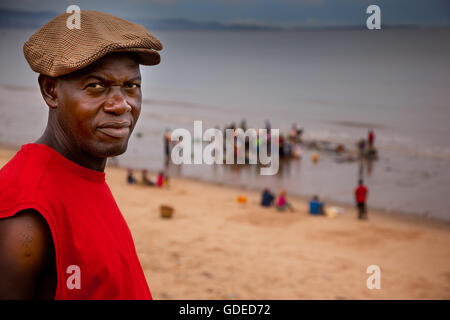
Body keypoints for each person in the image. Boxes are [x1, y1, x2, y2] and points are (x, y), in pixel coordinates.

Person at [0, 10, 162, 299]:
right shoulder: (26, 211)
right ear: (51, 91)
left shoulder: (84, 173)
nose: (121, 105)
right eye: (96, 86)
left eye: (131, 86)